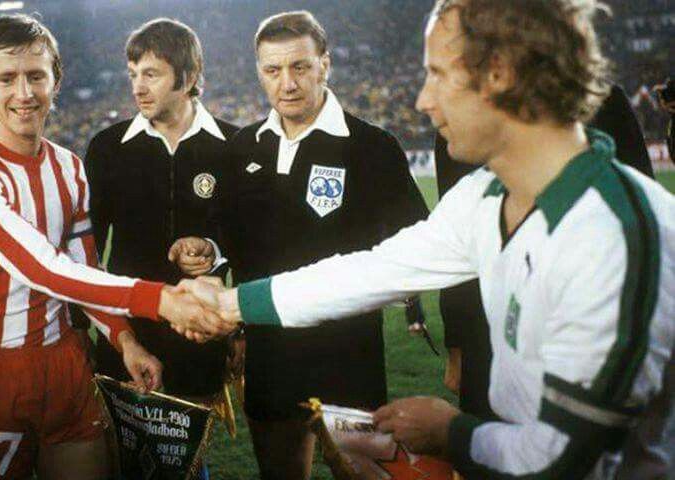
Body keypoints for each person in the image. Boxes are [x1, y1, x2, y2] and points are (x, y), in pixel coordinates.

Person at [178, 1, 674, 478]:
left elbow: (569, 459)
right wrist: (231, 304)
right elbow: (371, 272)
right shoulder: (484, 197)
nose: (423, 101)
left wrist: (453, 433)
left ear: (501, 77)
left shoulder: (616, 239)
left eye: (439, 74)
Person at [0, 14, 225, 479]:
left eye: (36, 76)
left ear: (56, 81)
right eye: (6, 79)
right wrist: (161, 300)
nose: (24, 93)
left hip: (66, 360)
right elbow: (43, 269)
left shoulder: (68, 168)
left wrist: (125, 341)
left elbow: (84, 266)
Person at [171, 11, 429, 479]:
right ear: (259, 72)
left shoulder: (372, 147)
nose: (286, 83)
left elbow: (415, 244)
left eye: (300, 67)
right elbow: (227, 232)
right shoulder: (244, 147)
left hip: (348, 356)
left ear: (324, 65)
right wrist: (209, 248)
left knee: (361, 474)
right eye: (273, 70)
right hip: (271, 354)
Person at [436, 82, 656, 421]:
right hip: (488, 327)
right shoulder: (457, 113)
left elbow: (643, 218)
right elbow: (455, 244)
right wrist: (457, 342)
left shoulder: (602, 98)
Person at [84, 17, 236, 407]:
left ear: (188, 77)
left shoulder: (235, 146)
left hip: (201, 328)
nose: (138, 86)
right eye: (133, 74)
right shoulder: (107, 147)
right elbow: (86, 248)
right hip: (127, 331)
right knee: (123, 437)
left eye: (151, 74)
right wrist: (81, 326)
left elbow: (251, 238)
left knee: (190, 437)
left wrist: (214, 250)